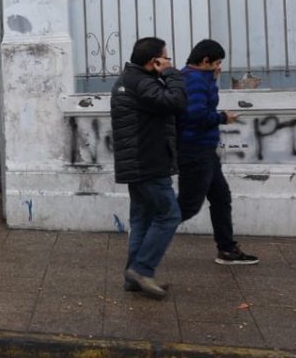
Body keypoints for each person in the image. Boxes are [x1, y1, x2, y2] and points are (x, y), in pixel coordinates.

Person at [111, 37, 187, 298]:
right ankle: (142, 270)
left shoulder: (129, 80)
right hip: (150, 162)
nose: (168, 61)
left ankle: (133, 277)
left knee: (142, 219)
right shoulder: (142, 83)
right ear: (154, 60)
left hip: (139, 161)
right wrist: (171, 74)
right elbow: (176, 102)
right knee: (169, 215)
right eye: (165, 57)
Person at [177, 39, 258, 265]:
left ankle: (227, 249)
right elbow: (196, 116)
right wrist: (224, 117)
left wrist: (212, 81)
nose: (219, 66)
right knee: (188, 206)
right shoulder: (193, 80)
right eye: (218, 62)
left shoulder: (200, 78)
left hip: (204, 150)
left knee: (221, 198)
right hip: (195, 150)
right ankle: (148, 232)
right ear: (205, 61)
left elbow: (202, 107)